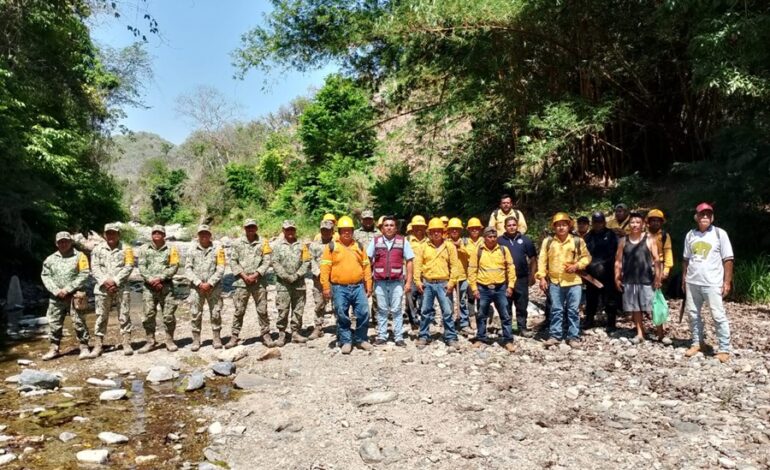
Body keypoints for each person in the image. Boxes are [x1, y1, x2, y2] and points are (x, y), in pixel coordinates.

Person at [682, 203, 734, 363]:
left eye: (708, 214)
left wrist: (727, 281)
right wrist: (684, 278)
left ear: (712, 217)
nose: (705, 217)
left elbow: (728, 259)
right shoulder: (690, 235)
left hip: (712, 283)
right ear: (696, 217)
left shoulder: (720, 234)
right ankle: (697, 342)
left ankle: (724, 348)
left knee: (718, 315)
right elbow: (686, 259)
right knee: (692, 314)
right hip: (692, 281)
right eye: (702, 214)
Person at [536, 213, 591, 347]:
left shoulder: (577, 241)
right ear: (554, 227)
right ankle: (555, 335)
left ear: (569, 226)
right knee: (556, 309)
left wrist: (576, 265)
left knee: (573, 310)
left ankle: (573, 336)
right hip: (555, 281)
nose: (561, 228)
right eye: (558, 225)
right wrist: (542, 277)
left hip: (574, 281)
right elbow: (542, 260)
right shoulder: (548, 242)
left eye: (564, 225)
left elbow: (587, 257)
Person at [320, 215, 373, 354]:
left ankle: (361, 339)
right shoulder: (331, 247)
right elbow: (325, 269)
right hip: (339, 288)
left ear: (353, 231)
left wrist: (369, 283)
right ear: (339, 231)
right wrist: (325, 287)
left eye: (349, 230)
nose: (347, 232)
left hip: (358, 286)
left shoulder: (359, 246)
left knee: (363, 312)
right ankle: (346, 341)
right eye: (344, 230)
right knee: (342, 314)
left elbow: (366, 266)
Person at [40, 232, 91, 361]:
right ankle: (54, 348)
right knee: (54, 323)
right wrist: (56, 290)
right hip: (56, 297)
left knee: (79, 322)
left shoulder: (80, 256)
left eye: (66, 241)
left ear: (70, 242)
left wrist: (68, 289)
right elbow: (45, 276)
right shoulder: (50, 259)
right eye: (60, 242)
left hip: (75, 296)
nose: (63, 244)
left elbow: (84, 274)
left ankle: (84, 347)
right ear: (56, 243)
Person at [414, 217, 462, 349]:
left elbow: (454, 266)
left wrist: (452, 282)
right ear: (429, 232)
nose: (436, 233)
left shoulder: (450, 246)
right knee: (425, 311)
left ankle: (451, 337)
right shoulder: (423, 247)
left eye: (439, 230)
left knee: (447, 311)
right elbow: (417, 265)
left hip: (444, 283)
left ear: (443, 232)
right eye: (433, 231)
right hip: (427, 283)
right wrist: (417, 281)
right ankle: (423, 335)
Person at [614, 212, 661, 343]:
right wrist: (616, 277)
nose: (635, 225)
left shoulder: (649, 239)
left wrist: (658, 277)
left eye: (637, 222)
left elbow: (657, 259)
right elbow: (618, 260)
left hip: (646, 279)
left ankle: (660, 333)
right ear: (629, 224)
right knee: (635, 308)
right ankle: (640, 333)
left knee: (653, 307)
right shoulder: (623, 241)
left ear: (643, 224)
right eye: (632, 222)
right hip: (630, 279)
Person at [367, 215, 414, 347]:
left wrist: (409, 282)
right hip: (380, 281)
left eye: (391, 225)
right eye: (386, 225)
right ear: (382, 228)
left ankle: (398, 337)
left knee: (397, 310)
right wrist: (368, 281)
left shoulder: (403, 241)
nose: (389, 228)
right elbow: (368, 260)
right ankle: (382, 336)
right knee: (381, 309)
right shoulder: (375, 242)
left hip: (397, 281)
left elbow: (409, 261)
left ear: (396, 228)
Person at [227, 219, 273, 349]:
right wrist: (244, 275)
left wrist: (256, 274)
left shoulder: (264, 243)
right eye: (248, 227)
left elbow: (267, 261)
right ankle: (234, 336)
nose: (250, 229)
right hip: (241, 282)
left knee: (262, 310)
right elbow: (233, 261)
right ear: (244, 228)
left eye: (253, 227)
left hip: (259, 282)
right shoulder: (237, 243)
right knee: (239, 310)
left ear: (256, 228)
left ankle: (265, 334)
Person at [469, 227, 517, 352]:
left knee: (505, 315)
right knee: (481, 314)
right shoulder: (478, 251)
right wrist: (474, 288)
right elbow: (472, 270)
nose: (492, 239)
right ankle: (480, 337)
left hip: (500, 287)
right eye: (489, 237)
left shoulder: (503, 250)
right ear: (484, 237)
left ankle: (508, 340)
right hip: (483, 288)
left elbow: (511, 268)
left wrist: (510, 285)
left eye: (494, 236)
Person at [90, 223, 134, 357]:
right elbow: (94, 267)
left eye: (113, 233)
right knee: (101, 316)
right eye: (108, 233)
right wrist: (105, 281)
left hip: (122, 287)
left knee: (124, 315)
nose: (111, 236)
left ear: (118, 234)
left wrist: (115, 281)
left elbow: (129, 266)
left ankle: (126, 343)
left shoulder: (127, 249)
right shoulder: (97, 249)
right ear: (104, 235)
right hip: (102, 288)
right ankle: (98, 345)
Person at [137, 225, 180, 353]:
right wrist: (151, 280)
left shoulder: (172, 249)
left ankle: (169, 340)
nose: (156, 234)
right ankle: (150, 341)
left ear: (164, 235)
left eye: (159, 232)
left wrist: (160, 278)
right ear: (151, 234)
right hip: (149, 288)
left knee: (168, 315)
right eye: (154, 232)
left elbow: (174, 266)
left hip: (166, 287)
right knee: (148, 314)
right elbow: (141, 266)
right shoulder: (144, 249)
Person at [185, 225, 225, 351]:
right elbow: (187, 268)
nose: (204, 236)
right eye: (201, 234)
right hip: (196, 288)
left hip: (214, 287)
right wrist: (198, 283)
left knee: (216, 313)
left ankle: (217, 337)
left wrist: (210, 283)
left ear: (210, 235)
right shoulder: (191, 250)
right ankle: (196, 339)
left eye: (206, 234)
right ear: (198, 236)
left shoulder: (218, 250)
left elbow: (221, 267)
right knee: (195, 313)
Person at [272, 220, 311, 346]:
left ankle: (295, 332)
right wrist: (285, 276)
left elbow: (306, 262)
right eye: (287, 230)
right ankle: (282, 333)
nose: (290, 232)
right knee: (282, 309)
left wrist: (297, 275)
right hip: (283, 284)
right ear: (283, 231)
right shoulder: (277, 246)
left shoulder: (302, 246)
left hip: (299, 283)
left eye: (292, 229)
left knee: (298, 309)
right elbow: (275, 263)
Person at [497, 216, 537, 336]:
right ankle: (506, 328)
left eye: (514, 225)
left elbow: (533, 258)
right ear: (505, 227)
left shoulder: (525, 240)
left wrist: (532, 275)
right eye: (509, 225)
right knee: (505, 304)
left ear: (517, 226)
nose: (512, 227)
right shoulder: (499, 241)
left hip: (522, 278)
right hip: (505, 279)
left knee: (522, 304)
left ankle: (522, 328)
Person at [583, 212, 620, 331]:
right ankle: (589, 320)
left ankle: (611, 322)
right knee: (590, 298)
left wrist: (606, 266)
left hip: (608, 272)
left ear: (604, 222)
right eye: (595, 222)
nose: (598, 224)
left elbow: (617, 253)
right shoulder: (588, 237)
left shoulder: (612, 235)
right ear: (592, 223)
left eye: (600, 222)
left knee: (610, 298)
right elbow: (584, 254)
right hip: (591, 274)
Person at [646, 208, 674, 341]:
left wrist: (666, 269)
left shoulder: (664, 235)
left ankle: (660, 330)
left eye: (658, 220)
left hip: (659, 266)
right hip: (643, 267)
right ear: (648, 222)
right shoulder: (642, 234)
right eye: (653, 220)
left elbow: (668, 252)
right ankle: (639, 327)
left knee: (657, 297)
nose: (656, 223)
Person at [308, 220, 335, 340]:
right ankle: (318, 327)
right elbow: (310, 260)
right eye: (323, 230)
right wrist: (318, 273)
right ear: (320, 230)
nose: (326, 232)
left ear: (332, 231)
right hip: (318, 280)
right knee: (319, 304)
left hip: (335, 279)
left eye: (328, 230)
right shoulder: (314, 245)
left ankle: (340, 327)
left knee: (338, 304)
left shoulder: (337, 244)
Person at [447, 218, 472, 335]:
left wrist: (459, 247)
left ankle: (463, 323)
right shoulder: (445, 242)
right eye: (452, 229)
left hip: (462, 276)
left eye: (456, 229)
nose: (454, 231)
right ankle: (449, 323)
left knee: (462, 301)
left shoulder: (465, 242)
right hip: (449, 277)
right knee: (448, 301)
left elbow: (470, 255)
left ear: (460, 231)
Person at [405, 215, 428, 329]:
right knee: (411, 299)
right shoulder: (407, 241)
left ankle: (424, 321)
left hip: (426, 275)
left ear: (425, 228)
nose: (419, 229)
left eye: (421, 226)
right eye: (416, 226)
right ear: (412, 228)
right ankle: (413, 321)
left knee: (425, 300)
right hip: (411, 275)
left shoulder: (429, 241)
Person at [464, 217, 485, 323]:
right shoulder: (465, 242)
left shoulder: (485, 241)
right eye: (472, 228)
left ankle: (482, 316)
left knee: (482, 295)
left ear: (480, 229)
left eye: (477, 228)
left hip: (483, 272)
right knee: (471, 295)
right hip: (469, 273)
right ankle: (472, 317)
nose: (474, 230)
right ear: (468, 229)